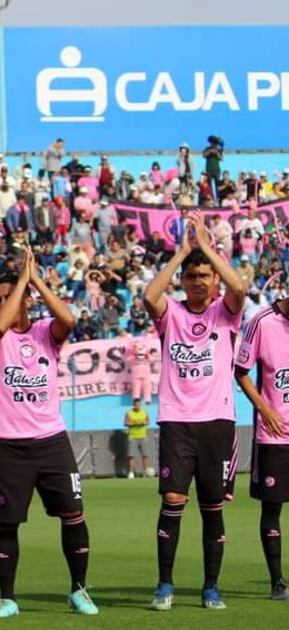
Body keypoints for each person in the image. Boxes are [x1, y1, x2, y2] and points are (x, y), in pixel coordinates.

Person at [0, 247, 97, 618]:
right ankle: (8, 598)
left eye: (8, 297)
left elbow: (69, 319)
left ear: (25, 299)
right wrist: (19, 286)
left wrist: (34, 279)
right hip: (5, 443)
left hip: (51, 441)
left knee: (73, 514)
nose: (1, 304)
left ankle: (79, 591)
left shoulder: (45, 332)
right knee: (7, 523)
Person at [143, 211, 246, 611]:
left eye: (205, 276)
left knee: (212, 507)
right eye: (192, 276)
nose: (198, 281)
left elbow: (239, 285)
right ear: (183, 281)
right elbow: (151, 296)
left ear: (214, 280)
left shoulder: (226, 312)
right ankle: (165, 585)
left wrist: (207, 248)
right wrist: (182, 252)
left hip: (217, 423)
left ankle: (210, 587)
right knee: (172, 499)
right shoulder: (173, 313)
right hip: (177, 422)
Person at [234, 295, 289, 601]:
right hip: (275, 436)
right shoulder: (262, 322)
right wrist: (264, 409)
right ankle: (278, 582)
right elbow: (240, 370)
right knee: (273, 507)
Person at [124, 399, 152, 479]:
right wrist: (134, 423)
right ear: (134, 405)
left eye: (139, 405)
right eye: (136, 405)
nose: (137, 406)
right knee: (132, 455)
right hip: (132, 436)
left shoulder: (144, 412)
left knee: (145, 454)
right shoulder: (129, 413)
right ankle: (131, 472)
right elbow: (126, 423)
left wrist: (144, 423)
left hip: (143, 436)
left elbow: (148, 421)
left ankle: (146, 472)